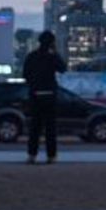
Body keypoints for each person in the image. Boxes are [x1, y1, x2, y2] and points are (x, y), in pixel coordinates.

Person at [23, 30, 67, 164]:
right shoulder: (52, 57)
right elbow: (63, 68)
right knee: (50, 128)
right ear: (52, 43)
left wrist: (34, 85)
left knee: (35, 128)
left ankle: (32, 155)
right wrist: (55, 51)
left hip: (35, 94)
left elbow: (25, 75)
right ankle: (51, 156)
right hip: (50, 95)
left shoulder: (31, 56)